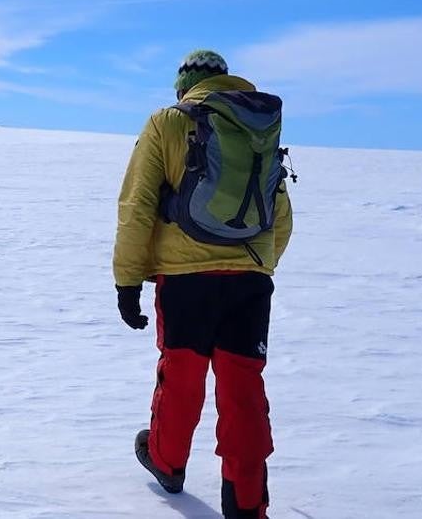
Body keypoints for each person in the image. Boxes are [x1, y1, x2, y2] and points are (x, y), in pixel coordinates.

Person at [114, 50, 293, 519]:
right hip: (250, 281)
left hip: (185, 281)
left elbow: (137, 205)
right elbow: (281, 213)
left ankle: (167, 462)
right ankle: (248, 504)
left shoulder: (169, 122)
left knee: (182, 375)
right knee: (243, 390)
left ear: (184, 86)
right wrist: (255, 264)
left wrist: (128, 281)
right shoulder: (259, 128)